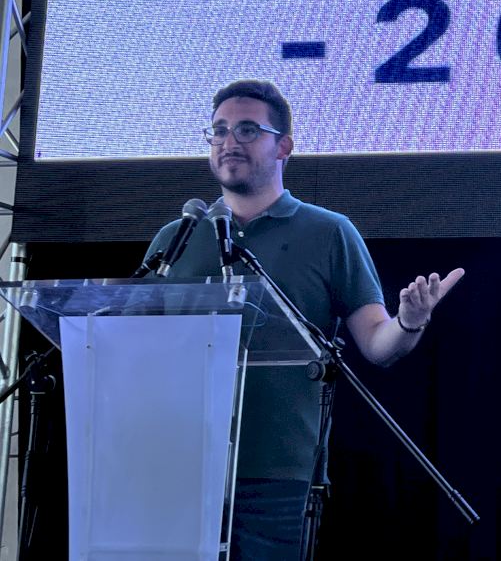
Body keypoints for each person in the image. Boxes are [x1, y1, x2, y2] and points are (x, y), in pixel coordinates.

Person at [144, 79, 464, 560]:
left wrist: (410, 320)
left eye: (247, 130)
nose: (229, 142)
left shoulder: (329, 232)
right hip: (175, 466)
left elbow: (378, 344)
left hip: (278, 476)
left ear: (284, 147)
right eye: (219, 130)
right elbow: (137, 348)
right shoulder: (177, 237)